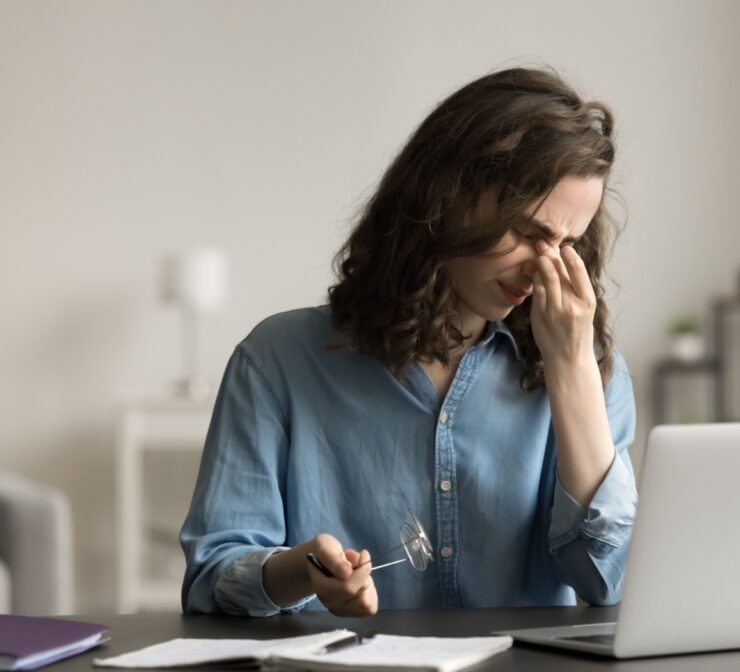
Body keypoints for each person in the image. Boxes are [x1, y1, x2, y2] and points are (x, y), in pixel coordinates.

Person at [179, 66, 637, 617]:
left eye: (569, 242)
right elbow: (213, 575)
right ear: (449, 198)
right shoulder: (277, 362)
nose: (545, 266)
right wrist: (302, 571)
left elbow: (603, 581)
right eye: (529, 232)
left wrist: (572, 371)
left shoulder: (594, 373)